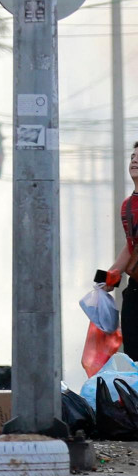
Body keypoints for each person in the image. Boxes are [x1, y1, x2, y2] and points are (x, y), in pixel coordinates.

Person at [103, 141, 138, 360]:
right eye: (133, 157)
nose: (135, 161)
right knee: (134, 355)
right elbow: (130, 246)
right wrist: (108, 278)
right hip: (135, 289)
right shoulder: (127, 206)